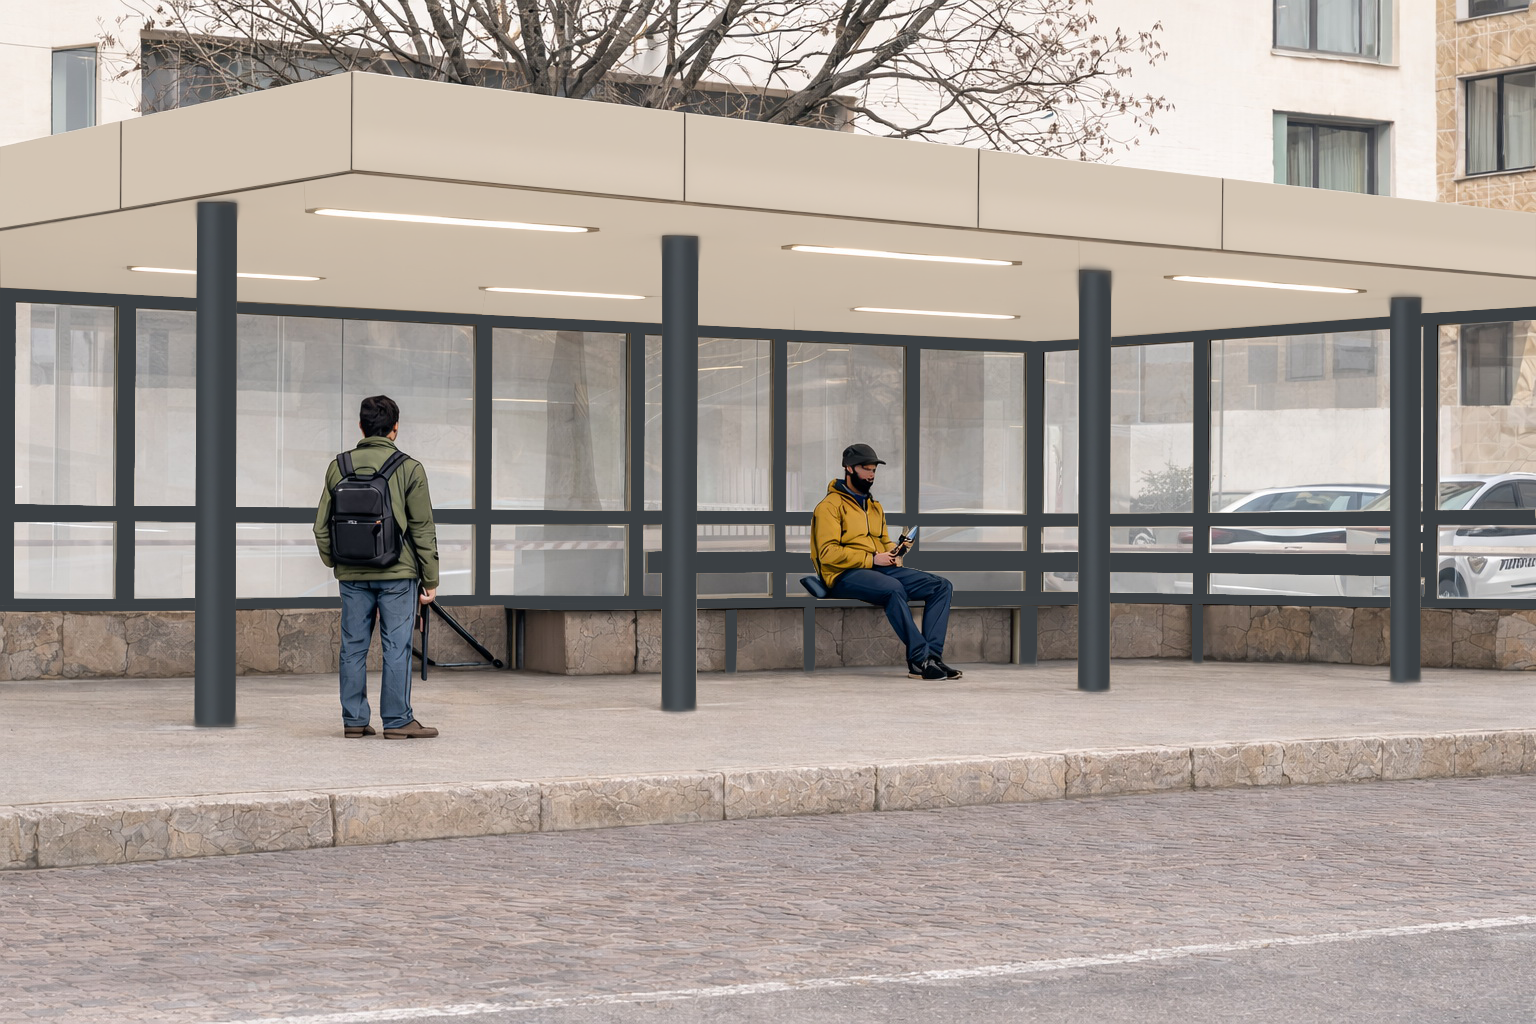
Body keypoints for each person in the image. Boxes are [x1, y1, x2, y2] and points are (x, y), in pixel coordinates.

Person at [313, 395, 441, 739]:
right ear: (395, 428)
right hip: (397, 574)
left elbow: (320, 526)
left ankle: (354, 720)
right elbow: (422, 528)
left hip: (352, 575)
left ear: (361, 427)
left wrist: (336, 562)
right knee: (396, 647)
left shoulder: (338, 466)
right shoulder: (409, 468)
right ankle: (397, 721)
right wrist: (430, 578)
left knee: (352, 647)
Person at [810, 443, 960, 681]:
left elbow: (880, 541)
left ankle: (932, 657)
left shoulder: (874, 506)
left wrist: (895, 550)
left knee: (941, 586)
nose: (871, 475)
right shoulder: (829, 507)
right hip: (842, 575)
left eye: (873, 470)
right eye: (866, 469)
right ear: (849, 469)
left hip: (877, 570)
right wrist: (871, 558)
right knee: (893, 588)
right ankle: (919, 660)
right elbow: (827, 553)